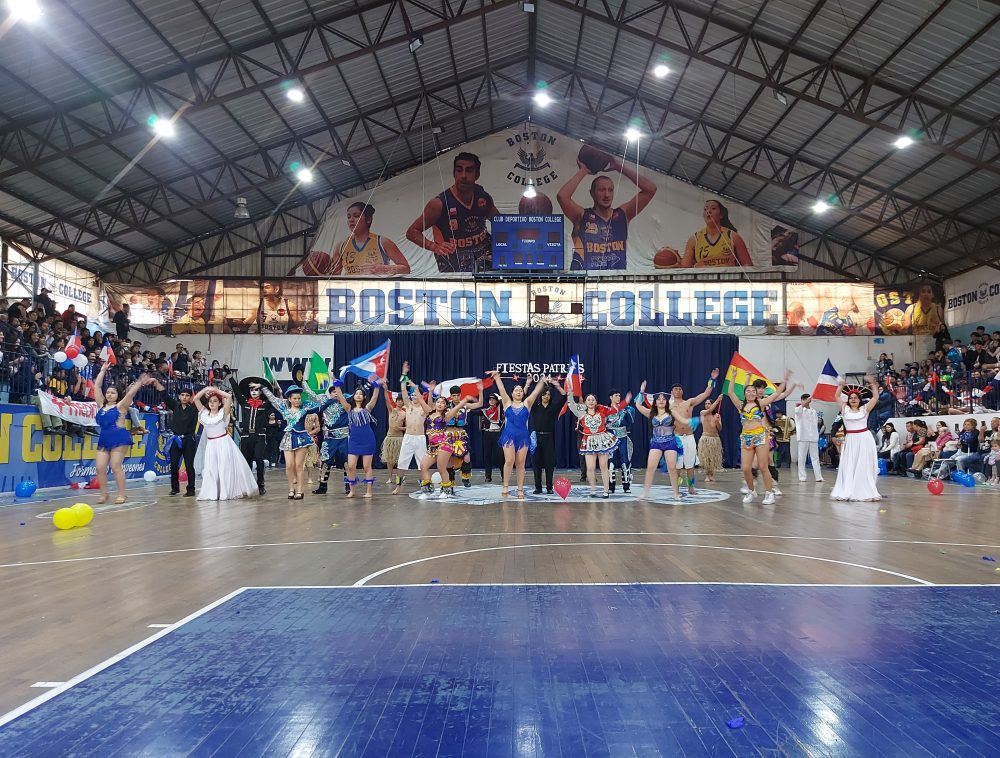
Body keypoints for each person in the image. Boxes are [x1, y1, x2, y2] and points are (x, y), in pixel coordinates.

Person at [557, 154, 656, 270]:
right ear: (592, 193)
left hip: (614, 282)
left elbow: (650, 189)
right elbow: (562, 196)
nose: (606, 195)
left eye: (610, 190)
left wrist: (620, 167)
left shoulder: (623, 214)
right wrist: (583, 171)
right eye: (602, 190)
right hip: (584, 280)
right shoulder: (582, 215)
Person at [406, 152, 500, 272]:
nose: (463, 176)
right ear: (454, 173)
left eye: (469, 170)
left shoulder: (483, 196)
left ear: (477, 174)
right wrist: (433, 246)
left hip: (483, 250)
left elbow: (499, 222)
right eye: (459, 170)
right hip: (454, 256)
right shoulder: (438, 204)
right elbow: (412, 232)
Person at [93, 362, 154, 504]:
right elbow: (96, 386)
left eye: (112, 392)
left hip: (119, 438)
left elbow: (131, 393)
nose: (109, 394)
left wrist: (140, 382)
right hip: (104, 438)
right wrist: (102, 371)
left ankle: (122, 494)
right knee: (100, 467)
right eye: (108, 392)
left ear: (117, 395)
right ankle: (104, 494)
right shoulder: (101, 405)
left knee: (115, 466)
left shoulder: (121, 406)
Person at [726, 371, 791, 505]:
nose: (750, 393)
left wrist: (784, 381)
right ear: (744, 393)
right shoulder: (740, 405)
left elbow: (777, 394)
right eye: (748, 391)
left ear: (756, 393)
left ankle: (769, 493)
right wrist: (733, 377)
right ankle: (751, 491)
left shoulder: (761, 403)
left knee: (763, 467)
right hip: (746, 438)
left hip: (761, 436)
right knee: (745, 468)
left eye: (753, 391)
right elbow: (731, 392)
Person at [187, 387, 258, 500]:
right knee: (211, 468)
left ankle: (226, 492)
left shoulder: (223, 413)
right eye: (210, 401)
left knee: (225, 468)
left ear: (220, 403)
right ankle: (214, 492)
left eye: (215, 401)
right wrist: (206, 389)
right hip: (211, 445)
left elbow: (229, 397)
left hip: (223, 443)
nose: (212, 403)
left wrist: (215, 390)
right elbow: (196, 398)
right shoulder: (204, 414)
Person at [487, 371, 546, 499]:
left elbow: (536, 392)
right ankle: (506, 486)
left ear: (523, 393)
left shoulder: (527, 404)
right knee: (509, 461)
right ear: (512, 393)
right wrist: (497, 377)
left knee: (520, 463)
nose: (518, 392)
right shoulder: (506, 403)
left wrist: (542, 380)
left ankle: (520, 489)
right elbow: (501, 388)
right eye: (516, 390)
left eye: (520, 390)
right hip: (508, 436)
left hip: (523, 437)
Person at [416, 388, 481, 499]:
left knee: (442, 468)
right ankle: (427, 491)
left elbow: (458, 407)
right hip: (432, 446)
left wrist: (465, 400)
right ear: (435, 403)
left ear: (446, 406)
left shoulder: (446, 416)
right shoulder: (429, 412)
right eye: (438, 402)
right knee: (423, 466)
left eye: (442, 403)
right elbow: (421, 400)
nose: (440, 404)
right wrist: (412, 384)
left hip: (444, 444)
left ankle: (446, 490)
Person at [262, 384, 319, 500]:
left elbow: (317, 401)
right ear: (289, 399)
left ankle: (300, 490)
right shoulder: (284, 407)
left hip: (302, 437)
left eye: (299, 398)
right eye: (295, 398)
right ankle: (291, 489)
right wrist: (263, 388)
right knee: (289, 465)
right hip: (288, 437)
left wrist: (306, 386)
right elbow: (272, 399)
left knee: (299, 465)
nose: (297, 400)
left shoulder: (306, 406)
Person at [566, 386, 624, 498]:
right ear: (585, 402)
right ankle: (593, 490)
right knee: (590, 467)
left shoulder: (602, 409)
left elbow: (614, 409)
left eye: (593, 400)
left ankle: (606, 491)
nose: (591, 402)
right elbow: (571, 404)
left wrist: (625, 401)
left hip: (602, 439)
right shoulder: (581, 411)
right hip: (589, 441)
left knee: (603, 466)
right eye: (588, 400)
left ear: (596, 401)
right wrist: (570, 394)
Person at [830, 377, 882, 502]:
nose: (853, 399)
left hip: (864, 438)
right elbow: (837, 396)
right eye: (851, 398)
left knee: (863, 465)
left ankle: (864, 490)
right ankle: (849, 489)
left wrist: (873, 384)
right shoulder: (844, 409)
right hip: (851, 439)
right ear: (848, 400)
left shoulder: (865, 409)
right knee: (850, 465)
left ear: (860, 400)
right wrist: (841, 385)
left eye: (855, 398)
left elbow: (875, 397)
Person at [668, 370, 720, 494]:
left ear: (682, 391)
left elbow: (706, 394)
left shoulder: (689, 402)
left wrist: (712, 380)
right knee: (678, 466)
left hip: (689, 437)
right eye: (675, 389)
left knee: (690, 465)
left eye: (679, 389)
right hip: (676, 438)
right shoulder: (668, 406)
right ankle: (677, 488)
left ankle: (691, 487)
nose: (678, 390)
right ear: (671, 392)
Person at [331, 202, 411, 276]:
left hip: (377, 289)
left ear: (368, 219)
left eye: (356, 216)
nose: (351, 220)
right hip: (351, 290)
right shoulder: (341, 246)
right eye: (348, 217)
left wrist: (383, 269)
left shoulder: (383, 242)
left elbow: (406, 268)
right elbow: (333, 276)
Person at [332, 380, 382, 498]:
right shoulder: (349, 408)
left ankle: (369, 491)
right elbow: (341, 397)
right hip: (354, 441)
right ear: (353, 396)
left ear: (364, 397)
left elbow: (374, 397)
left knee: (366, 467)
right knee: (351, 466)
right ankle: (352, 490)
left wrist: (377, 386)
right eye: (356, 393)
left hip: (367, 440)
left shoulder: (367, 408)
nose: (358, 395)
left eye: (360, 394)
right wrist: (336, 386)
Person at [634, 383, 682, 500]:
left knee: (672, 468)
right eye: (658, 399)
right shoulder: (651, 413)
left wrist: (695, 421)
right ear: (655, 402)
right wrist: (641, 391)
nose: (661, 401)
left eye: (663, 399)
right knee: (650, 467)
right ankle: (645, 492)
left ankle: (676, 493)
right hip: (656, 443)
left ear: (666, 402)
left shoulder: (672, 413)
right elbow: (638, 405)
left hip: (670, 442)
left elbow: (683, 420)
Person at [230, 377, 273, 496]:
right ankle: (247, 484)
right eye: (252, 390)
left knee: (259, 458)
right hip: (246, 435)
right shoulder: (245, 403)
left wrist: (262, 386)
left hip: (259, 435)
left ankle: (261, 484)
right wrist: (230, 378)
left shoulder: (265, 405)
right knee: (246, 460)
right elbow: (237, 392)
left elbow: (273, 397)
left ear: (261, 392)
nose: (254, 392)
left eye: (257, 390)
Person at [155, 383, 199, 496]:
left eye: (187, 395)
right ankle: (175, 488)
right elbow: (165, 396)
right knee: (174, 464)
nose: (184, 397)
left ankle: (191, 489)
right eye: (182, 395)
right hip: (175, 439)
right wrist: (156, 383)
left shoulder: (194, 408)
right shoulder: (175, 406)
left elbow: (202, 399)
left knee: (189, 465)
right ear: (179, 396)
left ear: (191, 397)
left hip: (189, 440)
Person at [680, 199, 752, 268]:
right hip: (703, 279)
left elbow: (747, 265)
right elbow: (685, 267)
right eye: (705, 209)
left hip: (727, 279)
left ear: (721, 215)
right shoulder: (694, 239)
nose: (708, 211)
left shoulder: (733, 236)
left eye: (713, 208)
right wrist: (675, 260)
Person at [304, 384, 349, 495]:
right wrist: (303, 382)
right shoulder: (325, 402)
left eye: (338, 392)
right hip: (329, 438)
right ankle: (322, 486)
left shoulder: (346, 401)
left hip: (343, 438)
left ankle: (349, 486)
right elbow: (312, 394)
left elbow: (359, 397)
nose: (336, 393)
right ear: (330, 394)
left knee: (347, 463)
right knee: (325, 462)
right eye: (333, 392)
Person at [393, 370, 430, 495]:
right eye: (412, 395)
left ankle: (424, 485)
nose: (414, 397)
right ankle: (398, 486)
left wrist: (418, 389)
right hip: (408, 437)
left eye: (416, 395)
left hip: (420, 438)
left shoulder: (423, 409)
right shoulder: (408, 407)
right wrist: (404, 375)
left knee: (423, 464)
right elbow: (403, 391)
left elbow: (429, 406)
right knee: (401, 463)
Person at [530, 379, 567, 494]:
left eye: (549, 394)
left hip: (549, 438)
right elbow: (527, 396)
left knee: (549, 464)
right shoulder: (535, 407)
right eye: (544, 394)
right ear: (540, 396)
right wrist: (528, 384)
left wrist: (557, 385)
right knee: (536, 463)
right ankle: (538, 487)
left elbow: (564, 396)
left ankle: (549, 487)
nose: (546, 396)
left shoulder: (554, 407)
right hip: (536, 437)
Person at [446, 382, 484, 488]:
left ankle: (465, 478)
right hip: (449, 434)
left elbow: (480, 404)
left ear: (460, 395)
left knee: (466, 457)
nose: (456, 397)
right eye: (454, 395)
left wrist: (480, 391)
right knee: (449, 459)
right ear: (450, 396)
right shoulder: (446, 405)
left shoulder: (465, 406)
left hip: (461, 434)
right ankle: (450, 480)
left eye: (458, 395)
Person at [605, 389, 635, 493]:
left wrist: (627, 411)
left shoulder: (626, 409)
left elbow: (630, 422)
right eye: (616, 395)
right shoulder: (606, 410)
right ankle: (611, 486)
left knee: (625, 462)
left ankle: (626, 487)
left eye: (619, 395)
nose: (618, 397)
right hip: (610, 438)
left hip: (623, 437)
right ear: (610, 397)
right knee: (611, 463)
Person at [793, 394, 824, 482]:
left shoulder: (813, 411)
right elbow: (797, 411)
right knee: (802, 458)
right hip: (803, 437)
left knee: (815, 458)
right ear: (802, 400)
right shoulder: (799, 409)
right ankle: (802, 477)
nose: (808, 401)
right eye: (805, 400)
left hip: (813, 437)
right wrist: (804, 403)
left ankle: (819, 477)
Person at [382, 384, 406, 487]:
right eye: (398, 400)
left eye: (401, 400)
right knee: (389, 459)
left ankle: (400, 477)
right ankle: (389, 477)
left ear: (403, 402)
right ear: (396, 402)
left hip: (399, 438)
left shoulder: (405, 413)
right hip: (390, 437)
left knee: (400, 460)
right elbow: (387, 400)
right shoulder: (391, 410)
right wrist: (385, 389)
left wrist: (401, 428)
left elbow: (408, 427)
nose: (400, 402)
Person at [697, 396, 724, 482]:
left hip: (715, 438)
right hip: (705, 437)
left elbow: (720, 428)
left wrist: (717, 421)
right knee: (706, 458)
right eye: (706, 403)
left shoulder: (717, 415)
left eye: (709, 403)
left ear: (713, 405)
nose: (707, 405)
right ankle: (707, 475)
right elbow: (709, 411)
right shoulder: (703, 413)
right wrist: (718, 400)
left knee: (713, 458)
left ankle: (711, 475)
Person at [480, 394, 504, 483]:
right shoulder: (485, 411)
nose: (492, 401)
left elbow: (503, 402)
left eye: (494, 399)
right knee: (487, 455)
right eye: (490, 399)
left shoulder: (500, 409)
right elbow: (474, 412)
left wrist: (499, 398)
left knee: (500, 456)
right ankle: (488, 476)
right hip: (487, 434)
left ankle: (503, 475)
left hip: (497, 434)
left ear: (496, 401)